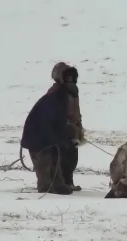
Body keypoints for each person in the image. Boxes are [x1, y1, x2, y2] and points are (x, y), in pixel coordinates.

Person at [20, 62, 81, 195]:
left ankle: (61, 184)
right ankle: (47, 189)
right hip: (39, 136)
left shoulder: (70, 94)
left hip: (57, 134)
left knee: (62, 160)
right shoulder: (55, 95)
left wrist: (75, 133)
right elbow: (50, 119)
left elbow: (73, 116)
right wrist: (60, 136)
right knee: (46, 163)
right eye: (67, 77)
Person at [46, 62, 85, 192]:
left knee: (73, 158)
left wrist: (79, 128)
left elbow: (77, 111)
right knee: (62, 158)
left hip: (73, 130)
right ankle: (61, 183)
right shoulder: (55, 91)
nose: (69, 78)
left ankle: (69, 181)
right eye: (66, 76)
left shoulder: (74, 91)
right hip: (62, 130)